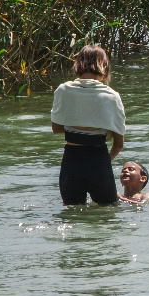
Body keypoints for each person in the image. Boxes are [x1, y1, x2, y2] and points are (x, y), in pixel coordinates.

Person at [50, 44, 126, 205]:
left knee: (72, 214)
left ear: (77, 65)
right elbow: (118, 144)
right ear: (104, 67)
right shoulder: (112, 96)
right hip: (99, 160)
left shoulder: (63, 90)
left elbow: (56, 129)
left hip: (71, 160)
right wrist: (103, 162)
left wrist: (78, 125)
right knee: (108, 214)